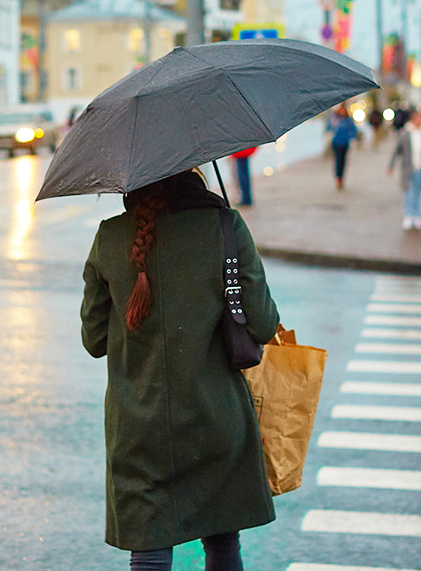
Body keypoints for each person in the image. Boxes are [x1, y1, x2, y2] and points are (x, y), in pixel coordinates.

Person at [80, 170, 280, 571]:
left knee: (149, 550)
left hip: (138, 426)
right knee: (222, 541)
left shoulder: (109, 237)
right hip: (216, 417)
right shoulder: (224, 227)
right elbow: (262, 324)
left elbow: (94, 340)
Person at [390, 110, 421, 230]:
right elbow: (397, 150)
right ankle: (408, 215)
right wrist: (391, 165)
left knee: (418, 192)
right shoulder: (405, 133)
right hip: (408, 168)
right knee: (408, 192)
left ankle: (416, 215)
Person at [326, 105, 358, 190]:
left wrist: (353, 139)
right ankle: (338, 178)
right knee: (338, 160)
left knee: (343, 161)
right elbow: (328, 128)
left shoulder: (348, 120)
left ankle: (341, 177)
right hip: (336, 143)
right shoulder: (334, 119)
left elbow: (353, 130)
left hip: (345, 143)